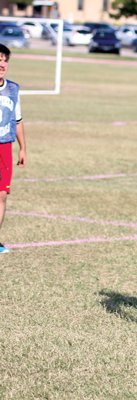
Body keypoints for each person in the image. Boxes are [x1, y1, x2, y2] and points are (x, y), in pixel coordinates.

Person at [0, 44, 26, 254]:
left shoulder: (12, 89)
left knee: (1, 195)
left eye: (5, 60)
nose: (2, 64)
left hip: (4, 148)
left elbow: (18, 121)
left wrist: (22, 148)